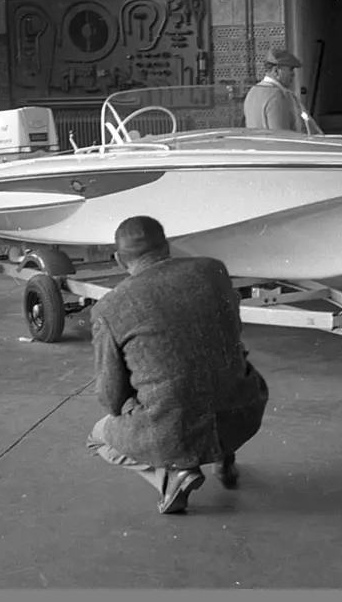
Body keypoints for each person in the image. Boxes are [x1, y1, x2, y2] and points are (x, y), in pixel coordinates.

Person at [86, 216, 270, 515]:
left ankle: (172, 477)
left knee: (98, 437)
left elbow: (111, 398)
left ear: (120, 260)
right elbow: (233, 331)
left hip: (176, 432)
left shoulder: (110, 307)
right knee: (215, 364)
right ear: (167, 246)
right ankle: (224, 455)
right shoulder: (213, 270)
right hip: (243, 410)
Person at [243, 48, 317, 134]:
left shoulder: (252, 91)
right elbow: (282, 136)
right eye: (290, 69)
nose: (293, 74)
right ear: (276, 71)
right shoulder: (277, 95)